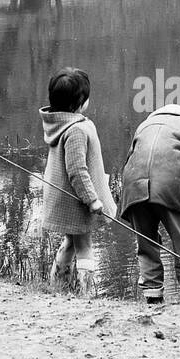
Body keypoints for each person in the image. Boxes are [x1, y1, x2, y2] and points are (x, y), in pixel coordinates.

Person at [119, 103, 180, 304]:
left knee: (147, 247)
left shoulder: (146, 124)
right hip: (171, 187)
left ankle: (153, 304)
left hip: (133, 187)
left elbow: (129, 161)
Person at [39, 68, 116, 297]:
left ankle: (57, 289)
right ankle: (87, 296)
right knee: (85, 246)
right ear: (80, 102)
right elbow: (77, 171)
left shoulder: (59, 123)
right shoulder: (76, 130)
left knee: (71, 243)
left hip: (67, 199)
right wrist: (92, 200)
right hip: (77, 201)